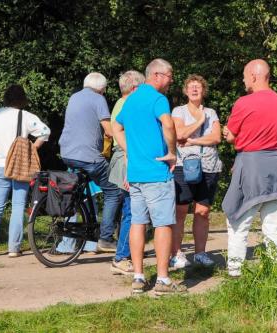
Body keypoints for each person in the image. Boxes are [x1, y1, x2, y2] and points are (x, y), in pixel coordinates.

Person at [112, 58, 186, 295]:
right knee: (163, 224)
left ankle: (138, 277)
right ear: (156, 75)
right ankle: (163, 280)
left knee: (137, 223)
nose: (171, 80)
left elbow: (116, 127)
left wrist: (129, 152)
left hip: (135, 174)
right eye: (169, 75)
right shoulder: (157, 99)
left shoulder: (131, 100)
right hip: (156, 172)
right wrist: (172, 153)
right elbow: (168, 123)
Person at [222, 59, 277, 277]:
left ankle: (235, 272)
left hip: (251, 165)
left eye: (244, 75)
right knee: (273, 226)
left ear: (253, 75)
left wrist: (229, 135)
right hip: (276, 165)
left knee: (238, 220)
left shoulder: (243, 103)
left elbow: (232, 136)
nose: (242, 80)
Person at [0, 85, 50, 257]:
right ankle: (14, 248)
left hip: (0, 164)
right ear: (22, 99)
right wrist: (32, 148)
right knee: (18, 205)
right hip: (20, 166)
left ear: (6, 98)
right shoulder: (26, 116)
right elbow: (45, 131)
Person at [59, 72, 122, 252]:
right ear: (102, 88)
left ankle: (85, 230)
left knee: (79, 192)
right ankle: (106, 238)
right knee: (113, 191)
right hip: (88, 157)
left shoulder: (74, 97)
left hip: (67, 154)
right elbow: (109, 130)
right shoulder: (98, 99)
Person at [170, 74, 222, 268]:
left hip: (209, 166)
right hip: (184, 166)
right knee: (180, 211)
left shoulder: (212, 112)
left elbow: (216, 138)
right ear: (185, 91)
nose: (194, 89)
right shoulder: (178, 111)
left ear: (203, 90)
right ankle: (176, 253)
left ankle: (200, 253)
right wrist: (200, 121)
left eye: (197, 87)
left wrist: (192, 141)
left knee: (202, 212)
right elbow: (179, 133)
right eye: (191, 86)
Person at [109, 70, 145, 275]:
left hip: (122, 159)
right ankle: (121, 257)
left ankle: (126, 253)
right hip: (126, 160)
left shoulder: (120, 104)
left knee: (129, 210)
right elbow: (128, 139)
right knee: (132, 212)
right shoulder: (129, 105)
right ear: (135, 88)